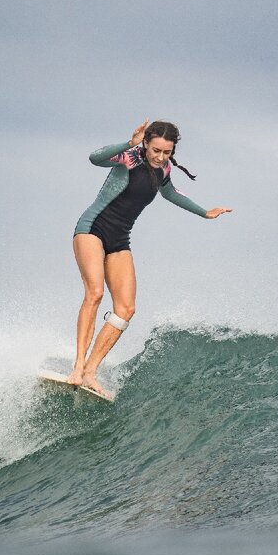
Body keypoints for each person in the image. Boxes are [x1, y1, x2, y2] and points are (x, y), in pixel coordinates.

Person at [68, 119, 232, 398]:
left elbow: (171, 194)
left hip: (120, 239)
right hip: (92, 229)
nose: (160, 157)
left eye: (166, 152)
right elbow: (95, 158)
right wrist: (129, 142)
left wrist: (205, 212)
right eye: (156, 150)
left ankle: (90, 372)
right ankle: (77, 367)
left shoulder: (164, 170)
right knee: (95, 293)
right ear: (146, 143)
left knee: (126, 309)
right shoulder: (128, 157)